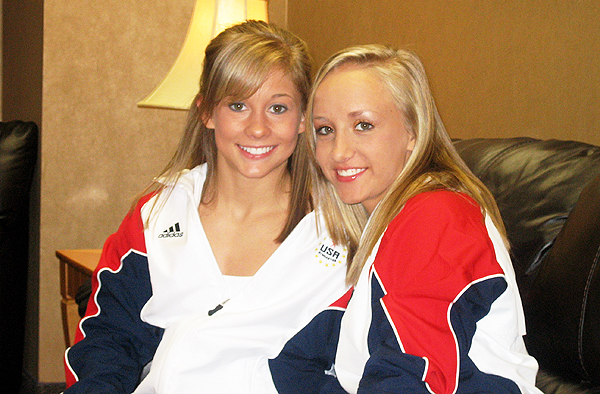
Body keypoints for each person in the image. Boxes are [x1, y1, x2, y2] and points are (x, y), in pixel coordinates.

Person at [63, 20, 348, 394]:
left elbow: (350, 364)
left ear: (302, 119)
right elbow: (107, 342)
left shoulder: (341, 231)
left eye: (278, 108)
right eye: (238, 105)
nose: (257, 128)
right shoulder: (155, 217)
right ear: (207, 112)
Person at [269, 45, 543, 393]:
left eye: (363, 125)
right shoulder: (388, 229)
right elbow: (295, 360)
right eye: (325, 130)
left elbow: (412, 376)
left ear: (413, 131)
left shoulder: (435, 216)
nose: (338, 151)